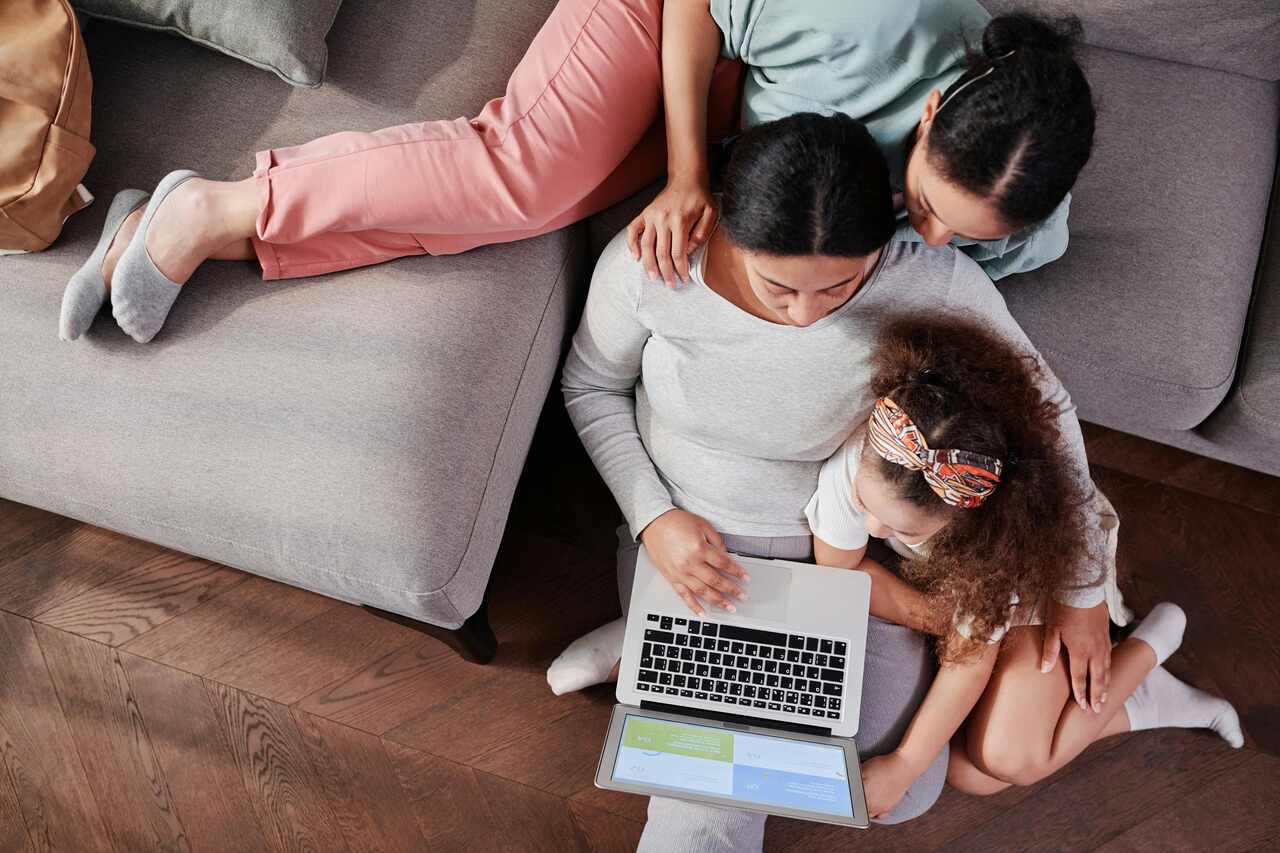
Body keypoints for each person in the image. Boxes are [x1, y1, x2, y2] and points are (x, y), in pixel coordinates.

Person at [548, 110, 1105, 849]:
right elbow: (587, 386)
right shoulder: (655, 264)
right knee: (723, 782)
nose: (807, 314)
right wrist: (653, 518)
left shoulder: (928, 280)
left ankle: (649, 661)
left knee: (902, 786)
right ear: (728, 231)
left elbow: (1049, 406)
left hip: (841, 554)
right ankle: (662, 659)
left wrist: (1085, 589)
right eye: (778, 288)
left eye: (840, 287)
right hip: (695, 541)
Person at [60, 2, 1094, 344]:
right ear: (926, 115)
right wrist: (689, 175)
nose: (937, 239)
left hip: (756, 100)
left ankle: (209, 223)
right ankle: (218, 202)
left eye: (971, 234)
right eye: (924, 206)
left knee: (519, 214)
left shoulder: (1017, 217)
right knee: (529, 177)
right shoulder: (862, 21)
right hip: (679, 17)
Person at [803, 317, 1242, 817]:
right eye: (866, 507)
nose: (874, 531)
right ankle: (1145, 696)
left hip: (1031, 585)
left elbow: (969, 661)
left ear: (957, 520)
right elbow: (841, 571)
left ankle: (1150, 647)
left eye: (903, 532)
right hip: (957, 599)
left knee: (1013, 761)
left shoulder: (996, 548)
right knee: (971, 775)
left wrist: (905, 762)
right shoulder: (871, 460)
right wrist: (938, 617)